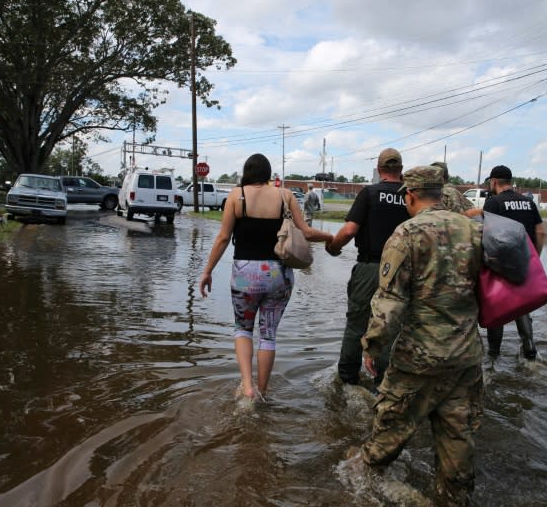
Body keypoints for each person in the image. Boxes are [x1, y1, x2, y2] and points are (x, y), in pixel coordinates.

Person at [359, 166, 484, 506]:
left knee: (385, 438)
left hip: (419, 357)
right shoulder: (472, 230)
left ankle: (371, 488)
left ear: (410, 195)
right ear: (442, 194)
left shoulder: (407, 234)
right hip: (466, 356)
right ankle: (453, 497)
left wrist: (372, 346)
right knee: (457, 442)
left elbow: (391, 302)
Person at [199, 153, 333, 400]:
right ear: (268, 173)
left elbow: (223, 238)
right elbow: (306, 232)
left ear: (246, 171)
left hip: (244, 274)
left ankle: (248, 387)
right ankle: (263, 390)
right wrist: (331, 238)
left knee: (243, 329)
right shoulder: (285, 195)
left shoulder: (236, 196)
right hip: (278, 275)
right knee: (268, 334)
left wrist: (207, 271)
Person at [325, 148, 409, 386]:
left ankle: (347, 380)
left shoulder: (369, 193)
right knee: (392, 325)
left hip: (370, 268)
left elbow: (350, 230)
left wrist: (333, 247)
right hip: (402, 272)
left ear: (379, 169)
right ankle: (383, 381)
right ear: (400, 170)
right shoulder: (411, 196)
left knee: (357, 323)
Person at [482, 165, 545, 359]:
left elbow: (486, 234)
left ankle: (493, 355)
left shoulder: (494, 203)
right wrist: (536, 257)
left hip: (499, 263)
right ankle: (529, 348)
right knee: (522, 306)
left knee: (497, 309)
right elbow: (541, 231)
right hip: (524, 260)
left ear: (494, 181)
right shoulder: (528, 202)